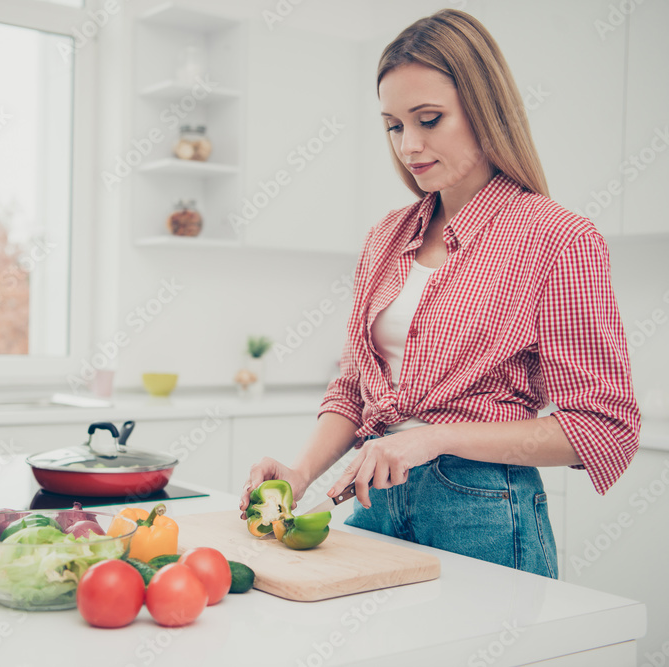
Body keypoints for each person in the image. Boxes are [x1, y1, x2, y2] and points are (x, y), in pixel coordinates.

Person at [238, 8, 640, 579]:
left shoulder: (558, 239)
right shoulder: (386, 237)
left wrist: (431, 440)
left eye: (429, 118)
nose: (409, 145)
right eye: (395, 125)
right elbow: (356, 387)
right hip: (372, 500)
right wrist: (299, 473)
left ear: (486, 111)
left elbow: (602, 427)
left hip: (481, 513)